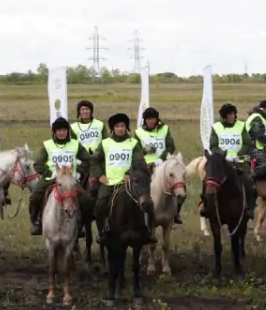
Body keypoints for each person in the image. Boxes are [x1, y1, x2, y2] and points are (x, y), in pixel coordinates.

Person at [95, 112, 153, 240]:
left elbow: (139, 162)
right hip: (109, 182)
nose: (120, 129)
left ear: (126, 128)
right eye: (117, 126)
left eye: (122, 126)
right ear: (113, 129)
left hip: (129, 182)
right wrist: (100, 175)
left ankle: (147, 231)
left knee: (146, 202)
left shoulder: (133, 143)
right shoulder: (105, 143)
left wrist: (130, 174)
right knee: (99, 205)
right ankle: (102, 232)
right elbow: (95, 160)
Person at [206, 102, 257, 221]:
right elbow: (213, 146)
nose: (232, 116)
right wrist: (222, 155)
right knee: (208, 179)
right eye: (229, 114)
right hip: (221, 161)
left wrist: (239, 155)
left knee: (249, 181)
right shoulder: (216, 127)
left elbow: (247, 143)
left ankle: (250, 207)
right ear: (224, 116)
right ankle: (205, 205)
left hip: (238, 161)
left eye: (233, 114)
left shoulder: (241, 125)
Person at [30, 117, 80, 235]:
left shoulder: (76, 144)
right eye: (59, 130)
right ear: (54, 132)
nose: (62, 133)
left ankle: (79, 224)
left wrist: (77, 173)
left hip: (70, 179)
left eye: (64, 130)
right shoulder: (47, 145)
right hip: (51, 178)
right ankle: (37, 222)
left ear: (68, 131)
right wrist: (50, 173)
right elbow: (38, 164)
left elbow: (87, 160)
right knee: (35, 196)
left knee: (85, 200)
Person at [137, 107, 182, 223]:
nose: (151, 121)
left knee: (179, 184)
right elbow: (135, 151)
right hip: (145, 167)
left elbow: (170, 147)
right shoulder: (138, 133)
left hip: (163, 165)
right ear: (145, 120)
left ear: (157, 119)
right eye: (149, 119)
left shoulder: (165, 129)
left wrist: (161, 159)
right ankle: (140, 213)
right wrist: (145, 150)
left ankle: (176, 213)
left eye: (153, 118)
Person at [244, 99, 266, 190]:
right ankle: (248, 179)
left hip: (255, 147)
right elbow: (259, 136)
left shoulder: (258, 116)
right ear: (265, 109)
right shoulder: (257, 118)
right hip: (253, 148)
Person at [70, 100, 104, 189]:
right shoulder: (73, 127)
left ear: (91, 111)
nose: (85, 111)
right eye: (82, 109)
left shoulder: (100, 124)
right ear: (79, 112)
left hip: (98, 160)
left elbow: (106, 141)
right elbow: (72, 145)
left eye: (87, 109)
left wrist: (97, 154)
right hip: (82, 161)